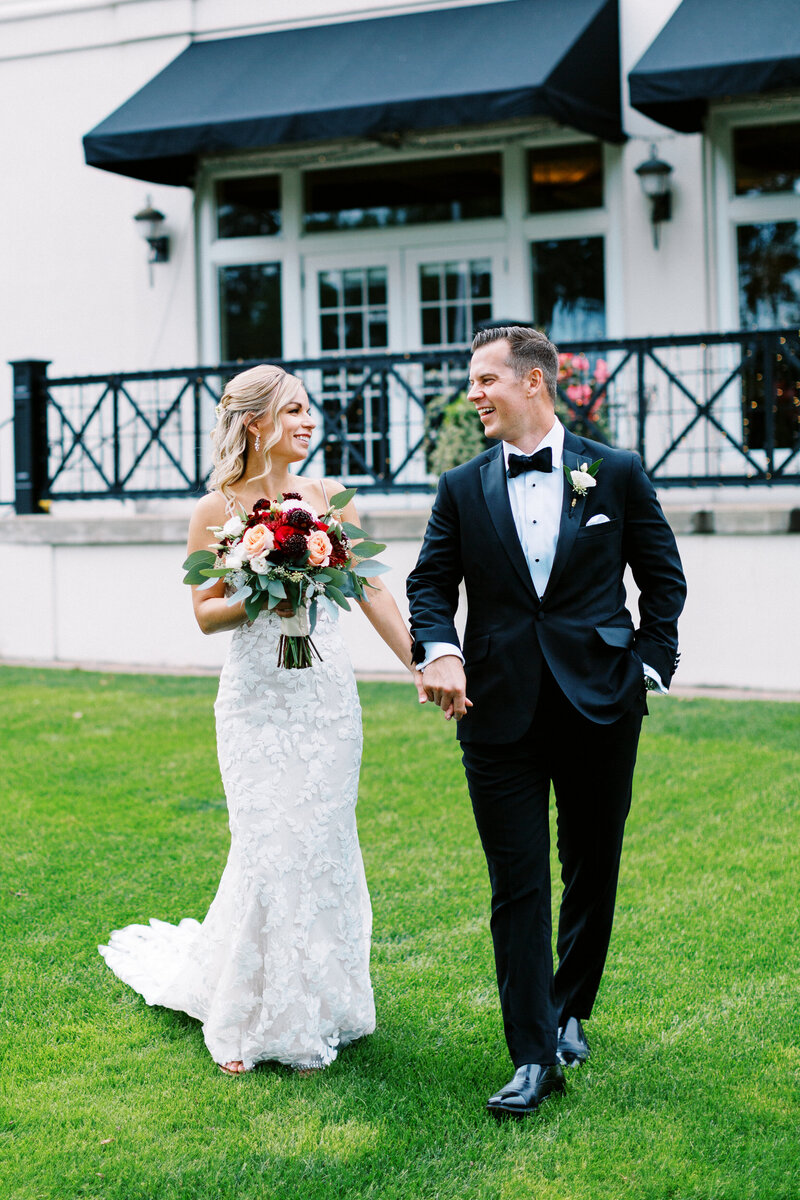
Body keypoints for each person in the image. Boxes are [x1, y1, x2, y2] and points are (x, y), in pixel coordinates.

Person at [100, 363, 423, 1076]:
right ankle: (247, 1016)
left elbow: (371, 591)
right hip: (255, 700)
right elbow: (205, 612)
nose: (309, 422)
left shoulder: (332, 499)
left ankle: (315, 1008)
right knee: (270, 847)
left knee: (322, 847)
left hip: (325, 696)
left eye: (311, 410)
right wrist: (263, 595)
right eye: (294, 410)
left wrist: (419, 664)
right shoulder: (213, 509)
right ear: (254, 423)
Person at [406, 326, 686, 1119]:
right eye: (471, 381)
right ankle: (533, 1055)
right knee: (516, 884)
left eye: (486, 379)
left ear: (535, 382)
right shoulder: (460, 487)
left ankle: (568, 1008)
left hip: (601, 700)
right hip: (495, 708)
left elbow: (663, 581)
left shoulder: (617, 472)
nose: (473, 394)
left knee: (592, 866)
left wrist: (647, 664)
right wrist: (440, 652)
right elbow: (431, 584)